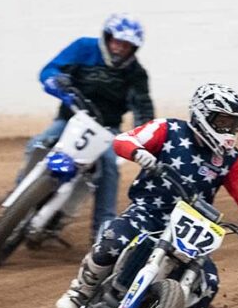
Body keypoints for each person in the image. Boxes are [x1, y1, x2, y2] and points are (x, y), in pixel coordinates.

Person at [54, 84, 238, 308]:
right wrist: (139, 153)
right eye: (224, 122)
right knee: (113, 240)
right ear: (203, 115)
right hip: (150, 211)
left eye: (236, 124)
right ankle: (79, 291)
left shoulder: (233, 159)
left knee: (207, 282)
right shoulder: (169, 129)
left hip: (191, 225)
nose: (230, 130)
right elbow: (124, 140)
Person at [17, 13, 153, 243]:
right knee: (37, 144)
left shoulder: (136, 74)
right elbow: (50, 70)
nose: (120, 48)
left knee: (109, 165)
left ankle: (103, 227)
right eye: (118, 41)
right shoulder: (84, 48)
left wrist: (145, 137)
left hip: (107, 128)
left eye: (127, 45)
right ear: (108, 38)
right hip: (71, 118)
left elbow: (144, 109)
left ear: (134, 49)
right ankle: (20, 195)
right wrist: (55, 82)